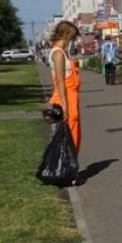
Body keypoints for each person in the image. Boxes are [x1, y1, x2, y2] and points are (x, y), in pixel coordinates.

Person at [48, 21, 83, 153]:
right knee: (71, 134)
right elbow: (60, 80)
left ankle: (70, 166)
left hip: (71, 95)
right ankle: (69, 167)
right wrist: (64, 104)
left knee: (74, 133)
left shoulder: (61, 52)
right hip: (66, 96)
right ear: (66, 35)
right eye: (72, 37)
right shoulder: (58, 53)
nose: (72, 41)